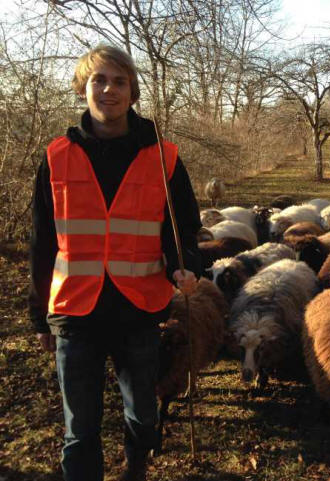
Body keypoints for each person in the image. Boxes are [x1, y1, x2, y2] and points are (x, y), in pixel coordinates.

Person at [28, 45, 202, 481]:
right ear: (82, 89)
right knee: (79, 428)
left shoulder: (164, 157)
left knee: (143, 414)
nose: (109, 90)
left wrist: (187, 267)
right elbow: (42, 242)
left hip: (138, 309)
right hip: (73, 311)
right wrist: (38, 317)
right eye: (98, 80)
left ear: (133, 90)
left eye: (119, 81)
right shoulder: (55, 156)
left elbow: (183, 227)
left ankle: (135, 469)